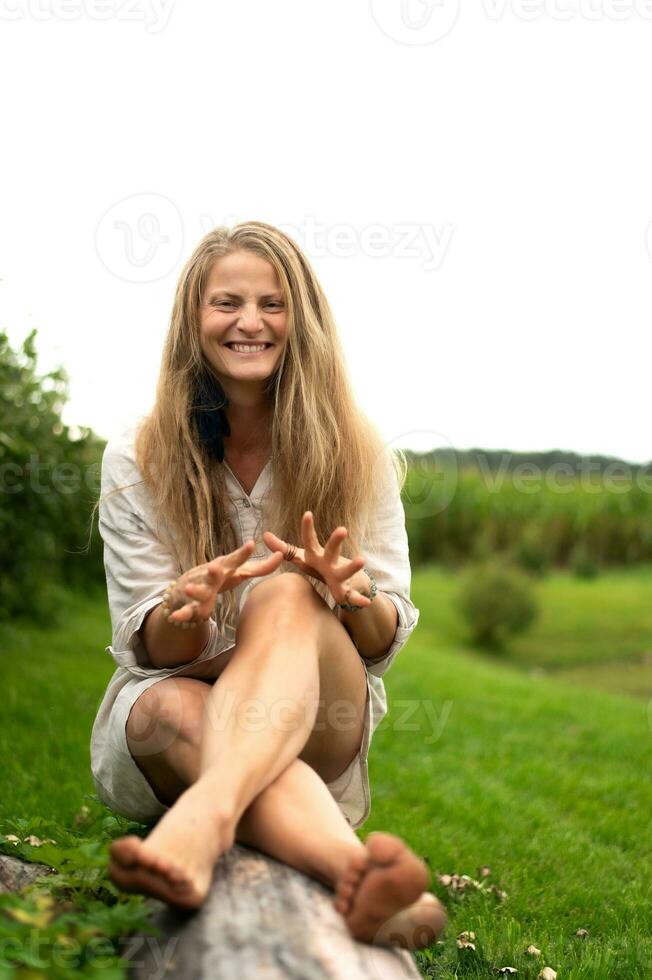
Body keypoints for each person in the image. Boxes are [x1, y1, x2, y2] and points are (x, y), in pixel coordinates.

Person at [89, 221, 447, 949]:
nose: (249, 322)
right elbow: (145, 643)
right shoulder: (139, 449)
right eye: (226, 303)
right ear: (194, 319)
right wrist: (185, 613)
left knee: (286, 593)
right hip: (178, 703)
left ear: (301, 319)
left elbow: (382, 644)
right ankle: (366, 883)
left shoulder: (358, 448)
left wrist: (354, 599)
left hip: (320, 712)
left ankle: (203, 819)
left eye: (272, 304)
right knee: (166, 710)